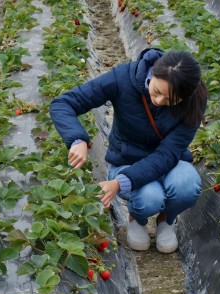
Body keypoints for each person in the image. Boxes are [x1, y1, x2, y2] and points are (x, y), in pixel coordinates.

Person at [50, 48, 208, 254]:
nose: (159, 101)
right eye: (157, 91)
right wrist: (77, 139)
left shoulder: (195, 99)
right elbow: (63, 103)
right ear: (153, 72)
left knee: (187, 185)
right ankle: (137, 219)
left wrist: (119, 184)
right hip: (127, 161)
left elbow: (167, 154)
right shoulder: (123, 78)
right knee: (150, 197)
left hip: (168, 161)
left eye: (170, 100)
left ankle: (166, 220)